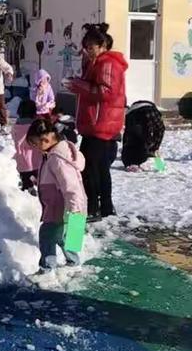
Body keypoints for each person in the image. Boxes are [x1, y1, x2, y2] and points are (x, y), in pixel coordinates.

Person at [64, 23, 127, 221]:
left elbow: (106, 92)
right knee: (96, 169)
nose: (87, 51)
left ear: (102, 46)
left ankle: (95, 209)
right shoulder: (96, 63)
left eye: (91, 47)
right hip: (96, 124)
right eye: (86, 47)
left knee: (91, 169)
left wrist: (78, 85)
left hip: (101, 124)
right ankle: (104, 208)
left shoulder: (107, 63)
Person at [26, 119, 86, 273]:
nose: (35, 147)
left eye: (35, 143)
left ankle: (47, 268)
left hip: (60, 207)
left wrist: (75, 208)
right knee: (61, 236)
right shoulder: (53, 154)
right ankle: (73, 261)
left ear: (45, 140)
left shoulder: (57, 159)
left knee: (46, 235)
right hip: (58, 205)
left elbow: (71, 185)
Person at [122, 101, 165, 171]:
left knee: (135, 139)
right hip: (148, 110)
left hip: (133, 112)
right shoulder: (152, 112)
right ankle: (159, 165)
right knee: (142, 139)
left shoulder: (131, 115)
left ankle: (132, 163)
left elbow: (127, 136)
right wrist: (156, 146)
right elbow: (160, 129)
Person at [11, 99, 41, 194]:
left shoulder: (16, 126)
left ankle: (27, 189)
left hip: (22, 159)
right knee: (39, 179)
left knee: (25, 181)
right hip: (36, 159)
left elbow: (14, 138)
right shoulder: (36, 126)